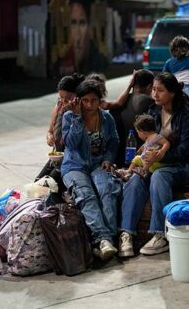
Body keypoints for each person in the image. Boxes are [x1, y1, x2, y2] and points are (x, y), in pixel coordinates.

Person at [118, 72, 189, 258]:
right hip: (154, 165)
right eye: (153, 89)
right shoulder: (153, 111)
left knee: (159, 176)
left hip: (181, 166)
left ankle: (160, 234)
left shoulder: (188, 114)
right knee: (135, 179)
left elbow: (187, 149)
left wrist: (160, 158)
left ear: (172, 93)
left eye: (160, 90)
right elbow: (146, 140)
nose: (154, 94)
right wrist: (143, 158)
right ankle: (126, 233)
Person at [61, 79, 121, 260]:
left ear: (100, 100)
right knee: (85, 194)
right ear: (79, 100)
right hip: (74, 165)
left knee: (107, 190)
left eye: (93, 100)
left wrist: (109, 159)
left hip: (98, 163)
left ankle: (107, 239)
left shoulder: (106, 118)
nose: (89, 105)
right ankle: (103, 239)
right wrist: (78, 118)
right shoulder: (69, 117)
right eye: (85, 100)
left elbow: (114, 142)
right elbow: (70, 144)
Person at [35, 73, 85, 196]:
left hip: (70, 160)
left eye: (67, 98)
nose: (63, 101)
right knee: (37, 184)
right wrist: (50, 137)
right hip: (56, 156)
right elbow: (50, 131)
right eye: (61, 97)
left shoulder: (82, 112)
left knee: (49, 186)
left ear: (77, 96)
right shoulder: (59, 106)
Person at [100, 69, 155, 167]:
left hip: (118, 158)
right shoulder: (149, 102)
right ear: (150, 86)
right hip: (140, 159)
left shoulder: (118, 103)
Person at [58, 0, 107, 75]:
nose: (78, 36)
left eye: (82, 23)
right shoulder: (63, 58)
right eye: (73, 23)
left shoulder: (99, 61)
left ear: (90, 29)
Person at [116, 114, 170, 179]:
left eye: (138, 132)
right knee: (136, 159)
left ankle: (143, 171)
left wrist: (162, 151)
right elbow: (142, 148)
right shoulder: (147, 140)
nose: (138, 135)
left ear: (141, 131)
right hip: (146, 160)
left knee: (148, 160)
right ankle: (128, 172)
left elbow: (166, 143)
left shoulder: (156, 136)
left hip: (155, 162)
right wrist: (137, 153)